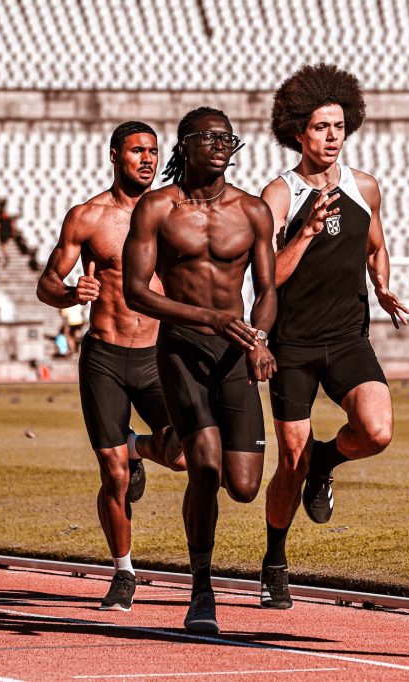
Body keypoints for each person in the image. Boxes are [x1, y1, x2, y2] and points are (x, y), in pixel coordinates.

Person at [257, 63, 408, 610]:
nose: (331, 137)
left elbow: (375, 246)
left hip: (347, 338)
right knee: (289, 462)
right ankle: (275, 560)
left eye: (339, 127)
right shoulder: (278, 193)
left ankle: (329, 461)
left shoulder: (364, 186)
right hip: (291, 345)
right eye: (321, 127)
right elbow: (267, 275)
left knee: (377, 430)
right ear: (298, 131)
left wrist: (384, 285)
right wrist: (306, 232)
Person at [123, 107, 277, 633]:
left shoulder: (254, 211)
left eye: (226, 138)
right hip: (182, 350)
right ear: (184, 145)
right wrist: (210, 317)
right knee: (205, 468)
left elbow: (268, 290)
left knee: (244, 486)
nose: (218, 145)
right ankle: (202, 590)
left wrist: (258, 338)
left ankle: (141, 446)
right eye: (208, 137)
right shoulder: (157, 209)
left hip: (235, 353)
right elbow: (136, 290)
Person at [37, 121, 186, 613]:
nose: (146, 158)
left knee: (184, 456)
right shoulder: (88, 217)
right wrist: (69, 293)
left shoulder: (172, 213)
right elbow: (47, 283)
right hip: (104, 354)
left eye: (152, 151)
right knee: (113, 473)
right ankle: (124, 572)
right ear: (114, 155)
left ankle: (137, 445)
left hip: (156, 355)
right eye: (136, 150)